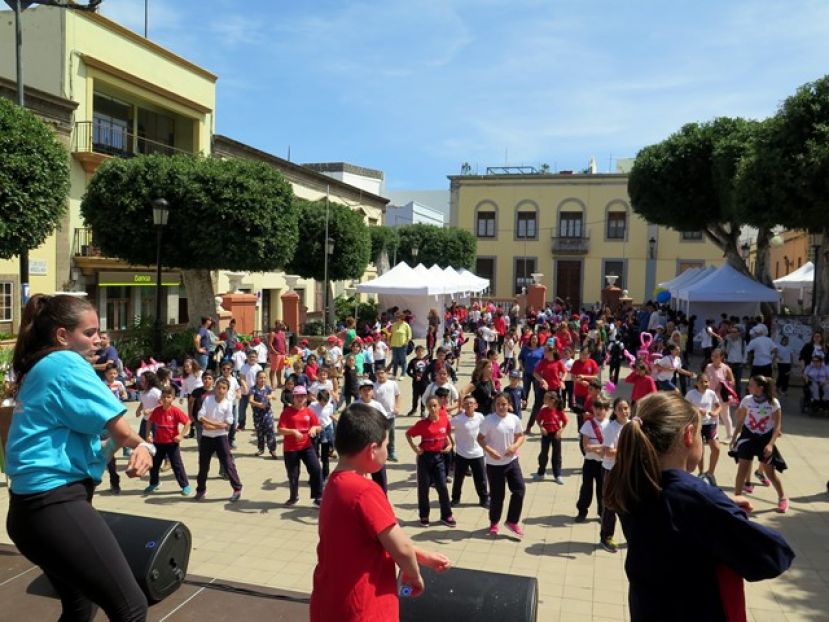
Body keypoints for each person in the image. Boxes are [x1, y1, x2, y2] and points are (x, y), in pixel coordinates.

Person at [6, 294, 153, 621]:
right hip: (54, 506)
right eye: (89, 332)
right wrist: (139, 445)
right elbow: (121, 431)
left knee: (80, 607)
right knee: (131, 607)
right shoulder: (65, 362)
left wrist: (138, 444)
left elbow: (111, 436)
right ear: (62, 336)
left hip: (29, 512)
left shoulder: (41, 367)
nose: (98, 339)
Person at [604, 391, 794, 622]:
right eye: (701, 435)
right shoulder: (696, 498)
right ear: (689, 435)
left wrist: (714, 503)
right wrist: (720, 505)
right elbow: (775, 556)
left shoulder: (631, 482)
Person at [309, 404, 451, 621]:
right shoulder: (365, 491)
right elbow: (401, 548)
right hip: (365, 606)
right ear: (372, 449)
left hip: (330, 602)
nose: (387, 450)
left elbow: (376, 540)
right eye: (386, 444)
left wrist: (423, 556)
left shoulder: (334, 484)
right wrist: (413, 575)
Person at [731, 376, 788, 512]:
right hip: (748, 436)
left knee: (770, 474)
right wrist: (734, 437)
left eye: (751, 385)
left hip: (765, 439)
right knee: (742, 470)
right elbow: (740, 420)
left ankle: (782, 498)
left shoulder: (773, 403)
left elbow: (777, 427)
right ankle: (738, 500)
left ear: (760, 388)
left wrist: (770, 444)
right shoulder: (747, 400)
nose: (748, 387)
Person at [477, 393, 526, 539]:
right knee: (497, 496)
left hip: (512, 461)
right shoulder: (488, 420)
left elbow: (520, 436)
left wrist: (515, 446)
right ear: (494, 405)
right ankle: (494, 522)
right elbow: (480, 438)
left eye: (504, 404)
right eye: (498, 404)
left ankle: (512, 521)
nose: (501, 407)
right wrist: (490, 451)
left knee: (519, 490)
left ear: (509, 405)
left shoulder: (514, 419)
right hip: (494, 464)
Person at [406, 397, 456, 527]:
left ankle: (446, 515)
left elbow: (447, 435)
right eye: (430, 406)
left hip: (439, 458)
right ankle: (424, 515)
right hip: (425, 458)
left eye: (435, 405)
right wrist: (414, 447)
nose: (433, 409)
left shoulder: (444, 420)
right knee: (423, 488)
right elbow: (408, 434)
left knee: (442, 487)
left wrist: (450, 445)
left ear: (440, 406)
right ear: (427, 408)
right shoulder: (422, 424)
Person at [195, 377, 243, 501]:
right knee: (203, 465)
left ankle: (237, 488)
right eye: (219, 388)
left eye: (224, 388)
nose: (221, 390)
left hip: (221, 437)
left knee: (228, 463)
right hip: (206, 437)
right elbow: (200, 416)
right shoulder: (208, 399)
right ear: (215, 388)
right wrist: (216, 425)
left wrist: (211, 426)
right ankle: (201, 490)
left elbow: (228, 422)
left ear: (227, 390)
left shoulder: (228, 403)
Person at [278, 385, 323, 506]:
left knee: (316, 469)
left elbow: (318, 426)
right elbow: (280, 430)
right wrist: (293, 431)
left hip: (306, 446)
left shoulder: (309, 411)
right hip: (291, 448)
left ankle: (318, 497)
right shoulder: (287, 412)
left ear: (306, 398)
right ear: (293, 397)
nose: (300, 399)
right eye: (297, 396)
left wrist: (314, 428)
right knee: (293, 474)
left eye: (302, 396)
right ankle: (294, 497)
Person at [144, 387, 192, 495]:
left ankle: (185, 485)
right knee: (154, 465)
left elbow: (188, 422)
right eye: (164, 397)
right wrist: (147, 435)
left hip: (172, 444)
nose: (166, 399)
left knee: (177, 465)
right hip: (158, 443)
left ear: (173, 398)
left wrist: (181, 435)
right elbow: (149, 422)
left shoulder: (175, 411)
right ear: (160, 398)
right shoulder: (157, 410)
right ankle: (154, 483)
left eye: (168, 397)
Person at [599, 397, 629, 553]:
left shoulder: (632, 426)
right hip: (612, 470)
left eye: (626, 408)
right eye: (620, 409)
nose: (624, 412)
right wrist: (627, 449)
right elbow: (609, 452)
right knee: (610, 505)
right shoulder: (611, 428)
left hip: (628, 470)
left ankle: (631, 536)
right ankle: (606, 537)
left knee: (627, 505)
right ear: (615, 412)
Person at [575, 395, 611, 523]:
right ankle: (582, 511)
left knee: (602, 489)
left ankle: (602, 513)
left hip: (604, 463)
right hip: (590, 462)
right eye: (596, 408)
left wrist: (597, 448)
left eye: (602, 409)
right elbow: (586, 447)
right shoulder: (588, 424)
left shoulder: (610, 425)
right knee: (586, 488)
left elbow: (611, 445)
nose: (599, 411)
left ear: (607, 410)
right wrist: (601, 449)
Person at [450, 395, 489, 508]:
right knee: (458, 479)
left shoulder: (480, 417)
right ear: (462, 405)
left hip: (478, 454)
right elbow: (446, 426)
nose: (469, 405)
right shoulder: (458, 419)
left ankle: (484, 499)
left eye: (471, 403)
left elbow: (486, 430)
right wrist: (450, 442)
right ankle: (455, 499)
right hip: (462, 454)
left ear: (476, 405)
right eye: (466, 403)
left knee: (481, 479)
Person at [685, 374, 721, 486]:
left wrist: (715, 412)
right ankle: (701, 473)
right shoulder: (691, 394)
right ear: (696, 383)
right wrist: (697, 410)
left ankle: (710, 473)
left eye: (706, 382)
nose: (705, 384)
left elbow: (718, 406)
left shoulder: (711, 393)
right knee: (700, 450)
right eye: (702, 382)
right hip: (696, 424)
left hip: (710, 424)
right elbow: (685, 406)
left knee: (716, 448)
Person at [533, 391, 568, 484]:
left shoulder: (559, 411)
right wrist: (541, 428)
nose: (543, 400)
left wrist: (560, 431)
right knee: (543, 454)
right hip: (546, 435)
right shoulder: (543, 410)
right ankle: (541, 473)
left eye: (546, 398)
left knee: (557, 455)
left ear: (552, 400)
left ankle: (557, 474)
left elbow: (565, 422)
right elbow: (538, 420)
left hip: (556, 435)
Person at [373, 365, 401, 461]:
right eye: (378, 373)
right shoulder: (374, 386)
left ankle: (391, 452)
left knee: (391, 434)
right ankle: (380, 452)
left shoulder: (392, 384)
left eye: (382, 373)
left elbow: (397, 395)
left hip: (390, 414)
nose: (380, 375)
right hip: (378, 415)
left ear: (386, 373)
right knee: (379, 435)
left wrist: (397, 407)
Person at [248, 370, 277, 458]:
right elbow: (250, 400)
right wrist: (258, 404)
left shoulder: (268, 388)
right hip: (257, 414)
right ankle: (261, 449)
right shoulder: (253, 389)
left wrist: (271, 396)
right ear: (257, 378)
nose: (263, 379)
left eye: (264, 377)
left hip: (267, 413)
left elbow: (274, 396)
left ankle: (272, 449)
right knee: (259, 432)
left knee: (270, 430)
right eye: (260, 377)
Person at [310, 389, 336, 482]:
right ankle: (314, 476)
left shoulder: (330, 405)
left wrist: (338, 420)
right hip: (315, 430)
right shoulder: (313, 406)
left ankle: (325, 476)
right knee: (314, 455)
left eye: (325, 401)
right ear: (318, 399)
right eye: (321, 401)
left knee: (325, 456)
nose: (323, 403)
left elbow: (330, 415)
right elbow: (308, 415)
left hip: (326, 430)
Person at [406, 345, 430, 417]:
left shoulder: (426, 361)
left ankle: (422, 411)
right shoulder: (412, 361)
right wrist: (414, 376)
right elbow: (408, 371)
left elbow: (429, 370)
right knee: (415, 396)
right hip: (416, 382)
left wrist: (429, 379)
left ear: (423, 352)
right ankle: (414, 409)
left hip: (425, 382)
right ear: (416, 352)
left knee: (423, 396)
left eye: (421, 351)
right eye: (418, 351)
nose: (420, 353)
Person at [389, 311, 412, 379]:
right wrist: (389, 343)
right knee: (395, 361)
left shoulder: (406, 325)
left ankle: (403, 374)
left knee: (403, 360)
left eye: (398, 317)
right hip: (394, 345)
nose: (396, 318)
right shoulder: (393, 325)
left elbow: (409, 335)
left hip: (402, 346)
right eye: (396, 317)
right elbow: (391, 334)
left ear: (402, 318)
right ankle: (394, 374)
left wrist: (406, 342)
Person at [268, 320, 288, 388]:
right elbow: (270, 344)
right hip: (275, 355)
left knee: (280, 369)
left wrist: (286, 353)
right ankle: (272, 385)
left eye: (281, 324)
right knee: (273, 370)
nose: (281, 325)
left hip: (282, 354)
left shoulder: (282, 333)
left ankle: (279, 383)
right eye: (279, 324)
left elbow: (284, 343)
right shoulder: (272, 333)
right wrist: (275, 352)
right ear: (276, 325)